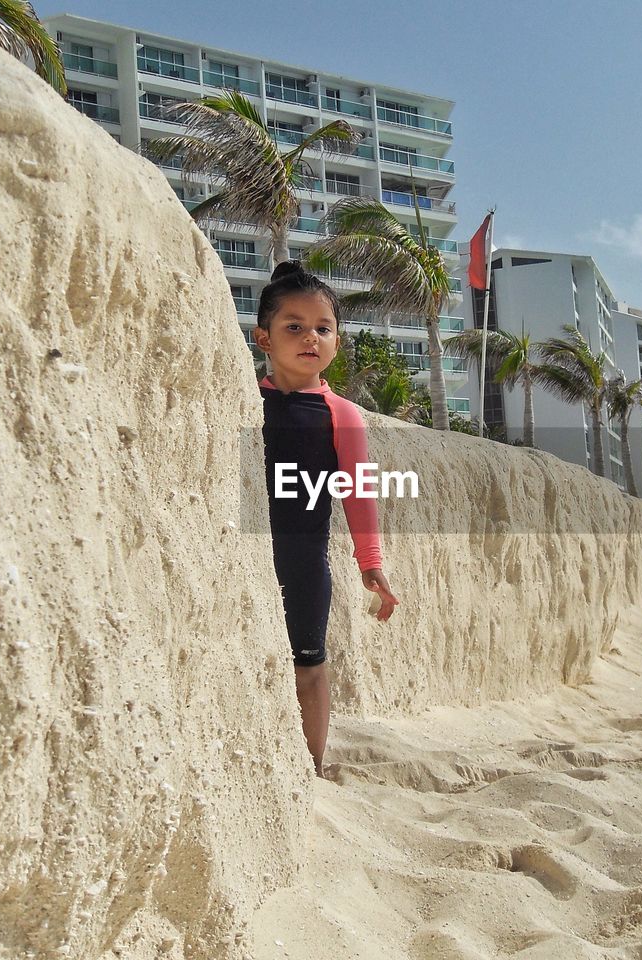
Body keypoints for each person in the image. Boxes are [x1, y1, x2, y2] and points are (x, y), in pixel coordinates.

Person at [252, 261, 399, 777]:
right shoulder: (241, 399)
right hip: (245, 560)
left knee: (308, 667)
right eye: (293, 326)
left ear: (336, 342)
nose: (309, 337)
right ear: (263, 338)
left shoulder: (341, 415)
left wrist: (371, 563)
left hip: (304, 565)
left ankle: (311, 768)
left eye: (323, 327)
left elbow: (359, 491)